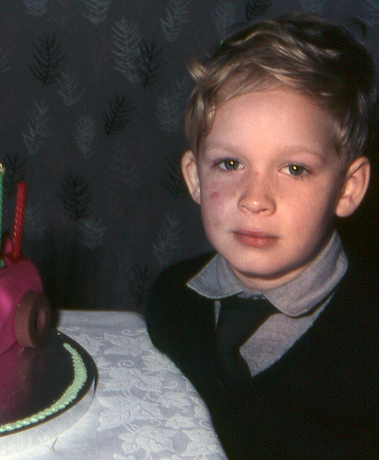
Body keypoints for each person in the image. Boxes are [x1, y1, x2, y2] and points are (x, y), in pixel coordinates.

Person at [145, 13, 379, 459]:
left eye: (295, 169)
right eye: (230, 164)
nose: (255, 199)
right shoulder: (169, 302)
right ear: (195, 178)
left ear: (348, 188)